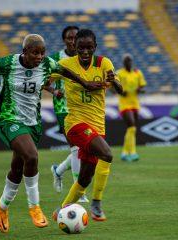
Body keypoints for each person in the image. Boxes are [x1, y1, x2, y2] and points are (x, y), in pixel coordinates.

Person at [0, 34, 102, 233]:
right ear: (25, 52)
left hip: (32, 123)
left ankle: (2, 206)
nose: (39, 57)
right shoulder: (9, 63)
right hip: (9, 118)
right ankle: (34, 207)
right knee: (31, 156)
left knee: (17, 167)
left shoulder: (47, 64)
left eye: (42, 53)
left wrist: (85, 84)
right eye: (35, 53)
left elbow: (65, 71)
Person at [52, 29, 123, 222]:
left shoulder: (103, 63)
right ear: (74, 47)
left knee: (84, 178)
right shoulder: (65, 64)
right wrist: (53, 91)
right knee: (107, 154)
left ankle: (61, 210)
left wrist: (114, 83)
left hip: (97, 126)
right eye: (81, 47)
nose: (84, 52)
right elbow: (43, 80)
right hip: (75, 124)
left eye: (89, 47)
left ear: (95, 47)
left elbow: (120, 89)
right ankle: (97, 204)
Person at [47, 26, 89, 203]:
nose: (72, 41)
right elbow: (44, 82)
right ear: (64, 40)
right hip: (63, 109)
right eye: (69, 38)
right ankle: (79, 191)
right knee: (77, 149)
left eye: (75, 38)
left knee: (84, 149)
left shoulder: (85, 57)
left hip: (83, 108)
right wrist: (53, 91)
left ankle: (58, 171)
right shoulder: (56, 59)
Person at [116, 54, 147, 162]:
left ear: (131, 62)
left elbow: (142, 86)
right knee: (132, 126)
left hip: (135, 103)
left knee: (131, 129)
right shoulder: (119, 73)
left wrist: (140, 90)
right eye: (126, 61)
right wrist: (120, 92)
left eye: (129, 61)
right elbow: (111, 86)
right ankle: (133, 152)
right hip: (124, 104)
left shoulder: (137, 72)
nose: (128, 63)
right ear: (123, 63)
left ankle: (124, 153)